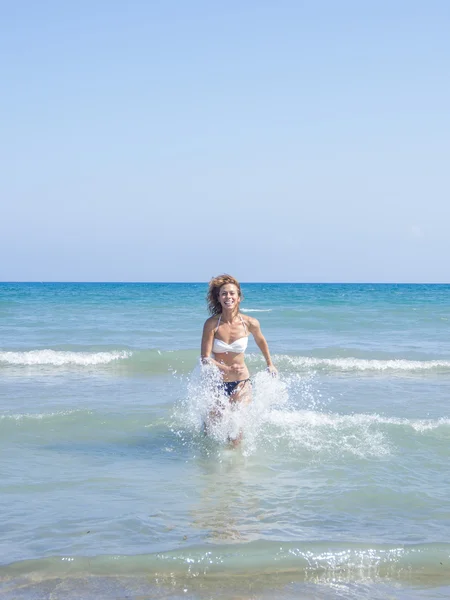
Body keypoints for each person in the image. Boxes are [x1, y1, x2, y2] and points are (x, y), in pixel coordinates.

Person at [200, 274, 277, 442]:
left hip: (242, 383)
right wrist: (226, 369)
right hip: (217, 383)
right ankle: (207, 466)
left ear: (239, 297)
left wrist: (270, 364)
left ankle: (235, 466)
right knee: (209, 430)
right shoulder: (212, 324)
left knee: (235, 430)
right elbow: (205, 358)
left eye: (232, 293)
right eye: (224, 294)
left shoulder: (250, 323)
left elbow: (261, 342)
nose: (228, 297)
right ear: (218, 298)